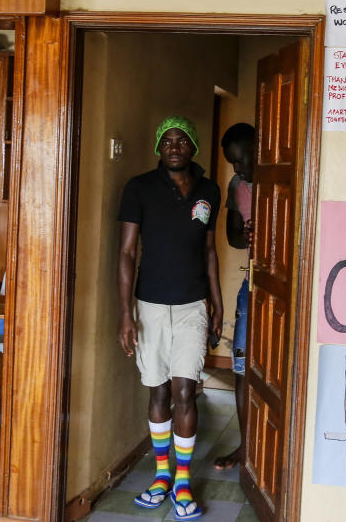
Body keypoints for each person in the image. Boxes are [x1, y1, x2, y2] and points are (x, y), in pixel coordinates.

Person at [118, 115, 223, 521]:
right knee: (158, 391)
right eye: (168, 140)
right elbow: (127, 254)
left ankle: (182, 481)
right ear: (158, 147)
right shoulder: (139, 188)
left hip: (192, 306)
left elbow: (210, 251)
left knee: (185, 391)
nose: (175, 146)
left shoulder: (210, 190)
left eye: (182, 140)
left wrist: (216, 303)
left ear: (193, 146)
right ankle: (161, 476)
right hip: (149, 306)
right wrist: (125, 313)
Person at [213, 123, 255, 471]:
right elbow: (233, 239)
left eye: (241, 161)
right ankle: (246, 448)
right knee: (240, 367)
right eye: (232, 163)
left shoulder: (286, 180)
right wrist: (247, 232)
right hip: (252, 283)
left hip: (288, 286)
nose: (237, 169)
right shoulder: (237, 186)